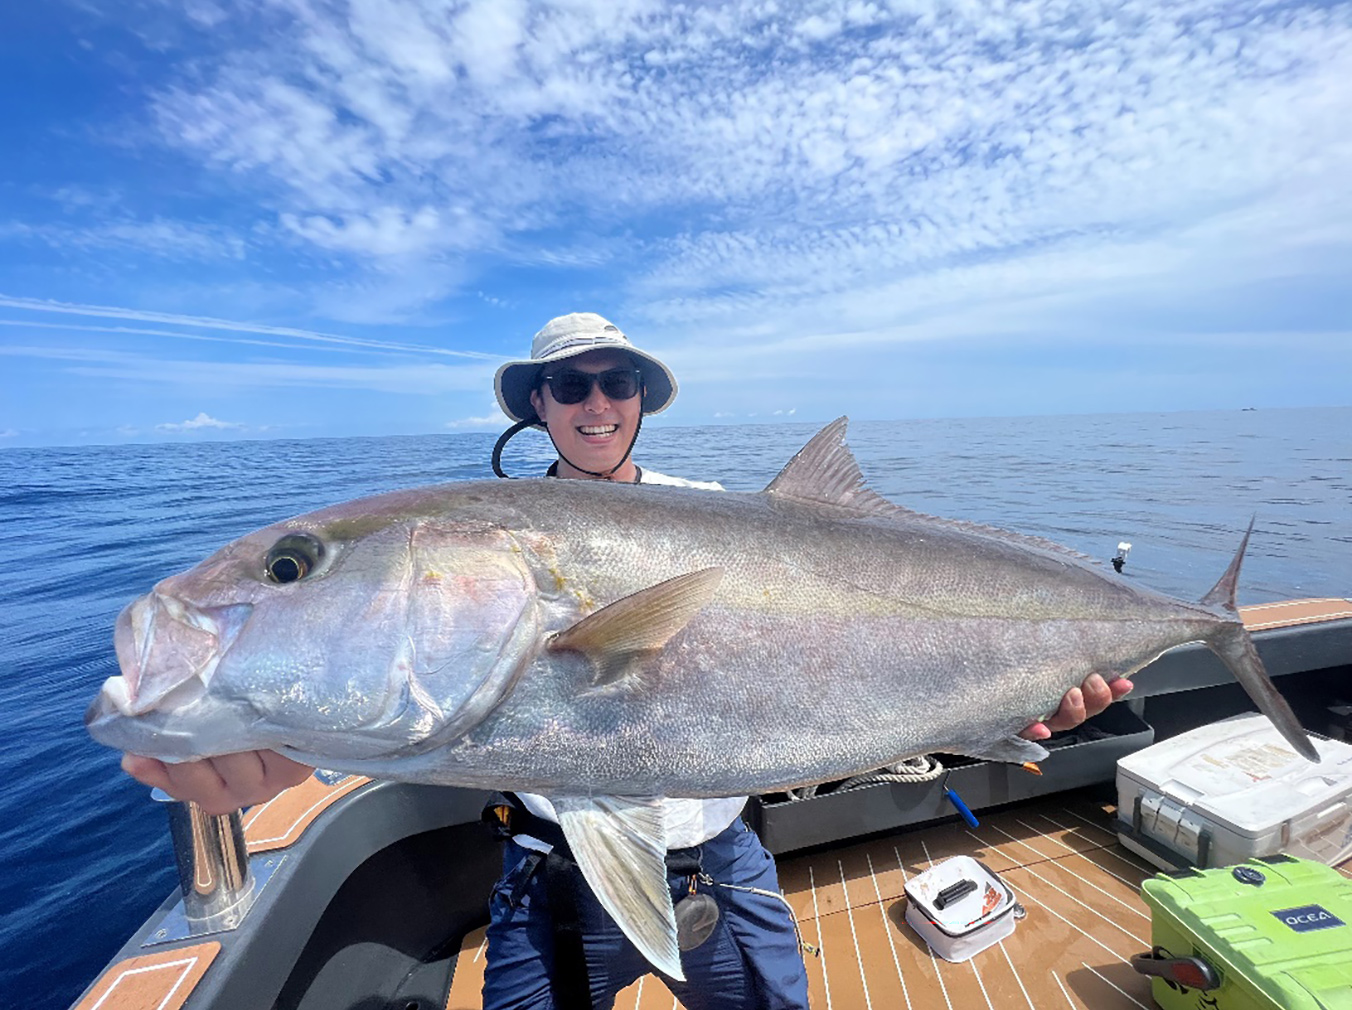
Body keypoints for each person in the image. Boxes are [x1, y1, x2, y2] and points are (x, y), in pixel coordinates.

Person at [122, 311, 1132, 1009]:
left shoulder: (718, 516)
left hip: (718, 861)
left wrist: (1022, 697)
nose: (594, 401)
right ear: (538, 404)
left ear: (642, 398)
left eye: (617, 383)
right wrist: (281, 733)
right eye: (569, 385)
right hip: (547, 870)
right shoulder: (496, 534)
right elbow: (407, 687)